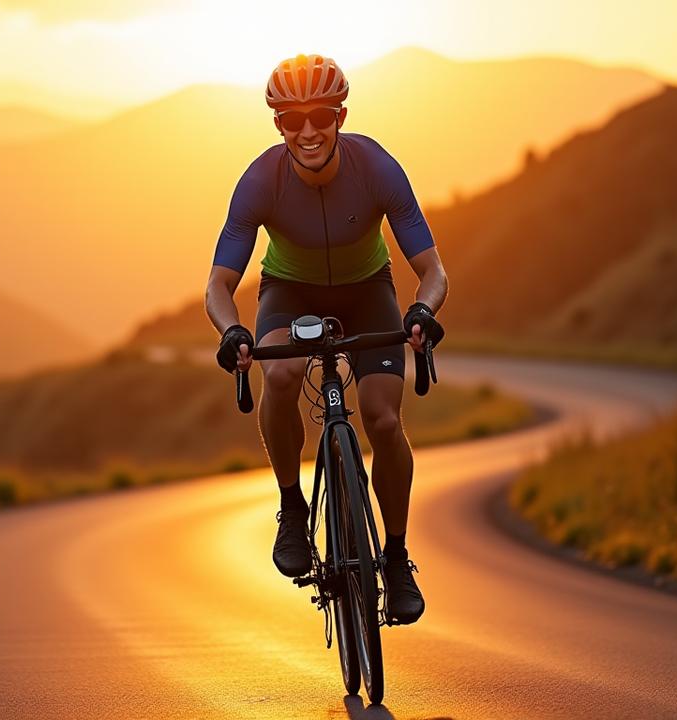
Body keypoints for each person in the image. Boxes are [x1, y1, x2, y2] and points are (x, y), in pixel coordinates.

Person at [204, 54, 448, 625]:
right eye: (292, 120)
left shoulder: (377, 168)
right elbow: (218, 285)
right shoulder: (261, 180)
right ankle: (293, 504)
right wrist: (233, 329)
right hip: (290, 289)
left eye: (319, 116)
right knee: (282, 374)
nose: (307, 130)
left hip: (369, 289)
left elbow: (433, 270)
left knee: (384, 419)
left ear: (340, 115)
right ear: (278, 125)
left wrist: (421, 310)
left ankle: (393, 556)